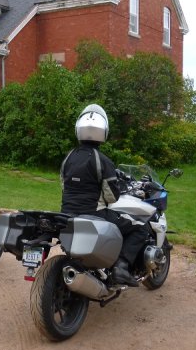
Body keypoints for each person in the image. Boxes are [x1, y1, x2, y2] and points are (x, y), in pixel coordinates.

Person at [60, 104, 147, 287]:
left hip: (66, 214)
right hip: (95, 214)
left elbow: (64, 186)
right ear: (104, 131)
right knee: (141, 227)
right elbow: (111, 197)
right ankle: (121, 267)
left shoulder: (68, 158)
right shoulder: (103, 161)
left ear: (79, 130)